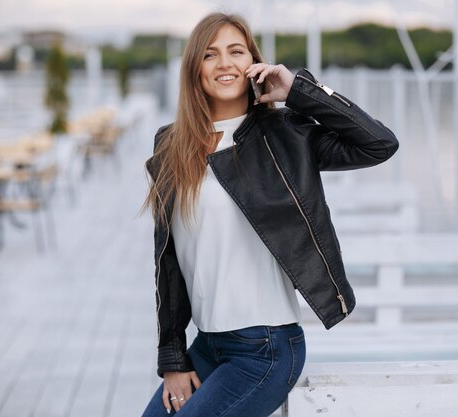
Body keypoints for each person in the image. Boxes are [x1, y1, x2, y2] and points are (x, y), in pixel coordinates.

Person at [140, 11, 399, 417]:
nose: (225, 63)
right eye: (210, 54)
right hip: (207, 345)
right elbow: (167, 262)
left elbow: (379, 144)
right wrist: (173, 358)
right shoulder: (171, 144)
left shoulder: (286, 134)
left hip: (266, 349)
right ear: (195, 70)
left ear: (253, 64)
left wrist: (297, 89)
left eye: (236, 51)